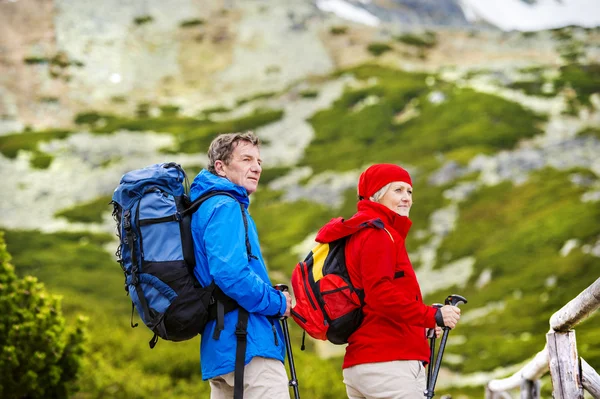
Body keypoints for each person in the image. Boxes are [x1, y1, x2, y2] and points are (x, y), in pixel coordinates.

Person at [314, 163, 461, 399]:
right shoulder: (378, 234)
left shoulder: (361, 231)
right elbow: (379, 294)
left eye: (409, 191)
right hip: (389, 365)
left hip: (368, 362)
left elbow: (371, 300)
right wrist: (432, 316)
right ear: (377, 194)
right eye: (398, 190)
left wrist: (422, 323)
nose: (406, 198)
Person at [190, 131, 292, 399]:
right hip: (248, 344)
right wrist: (278, 303)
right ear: (221, 167)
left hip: (221, 347)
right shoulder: (225, 205)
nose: (256, 167)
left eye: (259, 161)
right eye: (246, 159)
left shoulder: (205, 205)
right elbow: (231, 274)